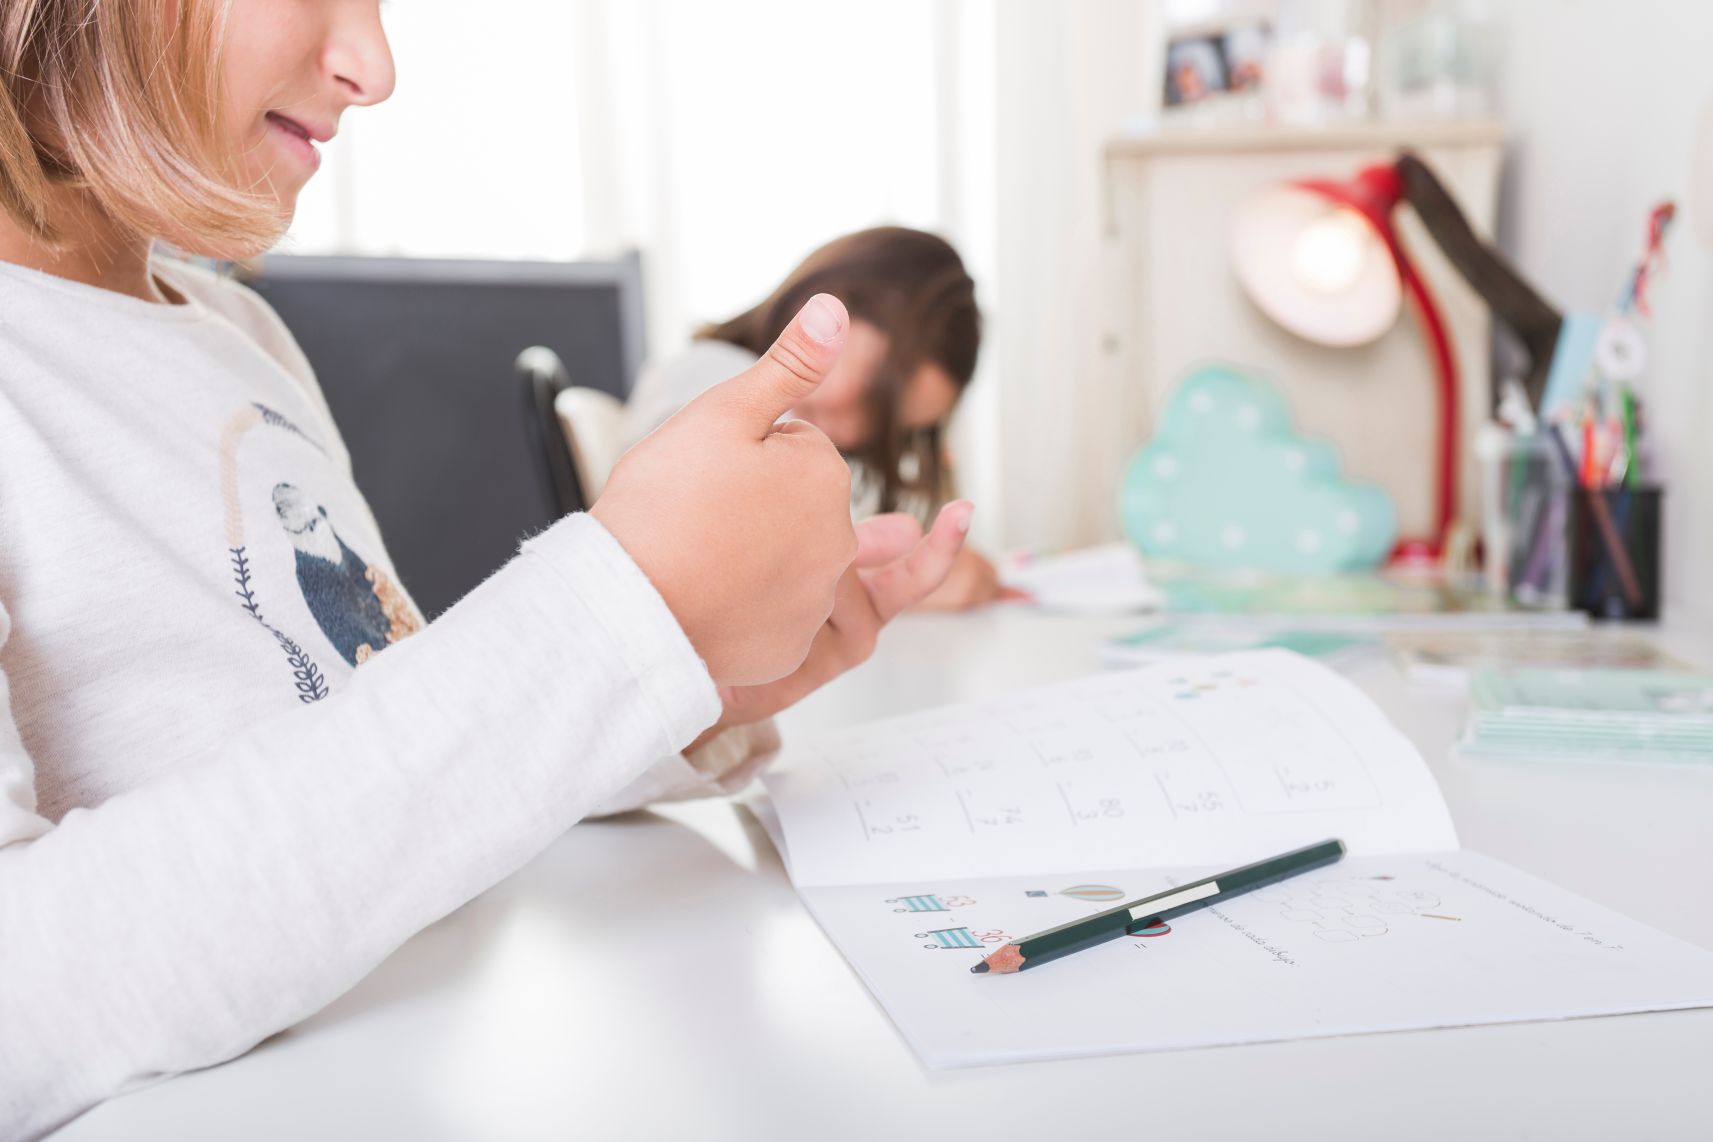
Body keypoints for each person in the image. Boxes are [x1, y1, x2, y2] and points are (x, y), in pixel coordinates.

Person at [0, 2, 971, 1136]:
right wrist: (612, 616)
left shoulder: (241, 337)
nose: (375, 66)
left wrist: (680, 668)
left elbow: (379, 746)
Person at [625, 227, 1020, 610]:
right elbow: (722, 566)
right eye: (871, 402)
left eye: (892, 433)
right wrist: (893, 577)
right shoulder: (710, 377)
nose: (852, 433)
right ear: (831, 304)